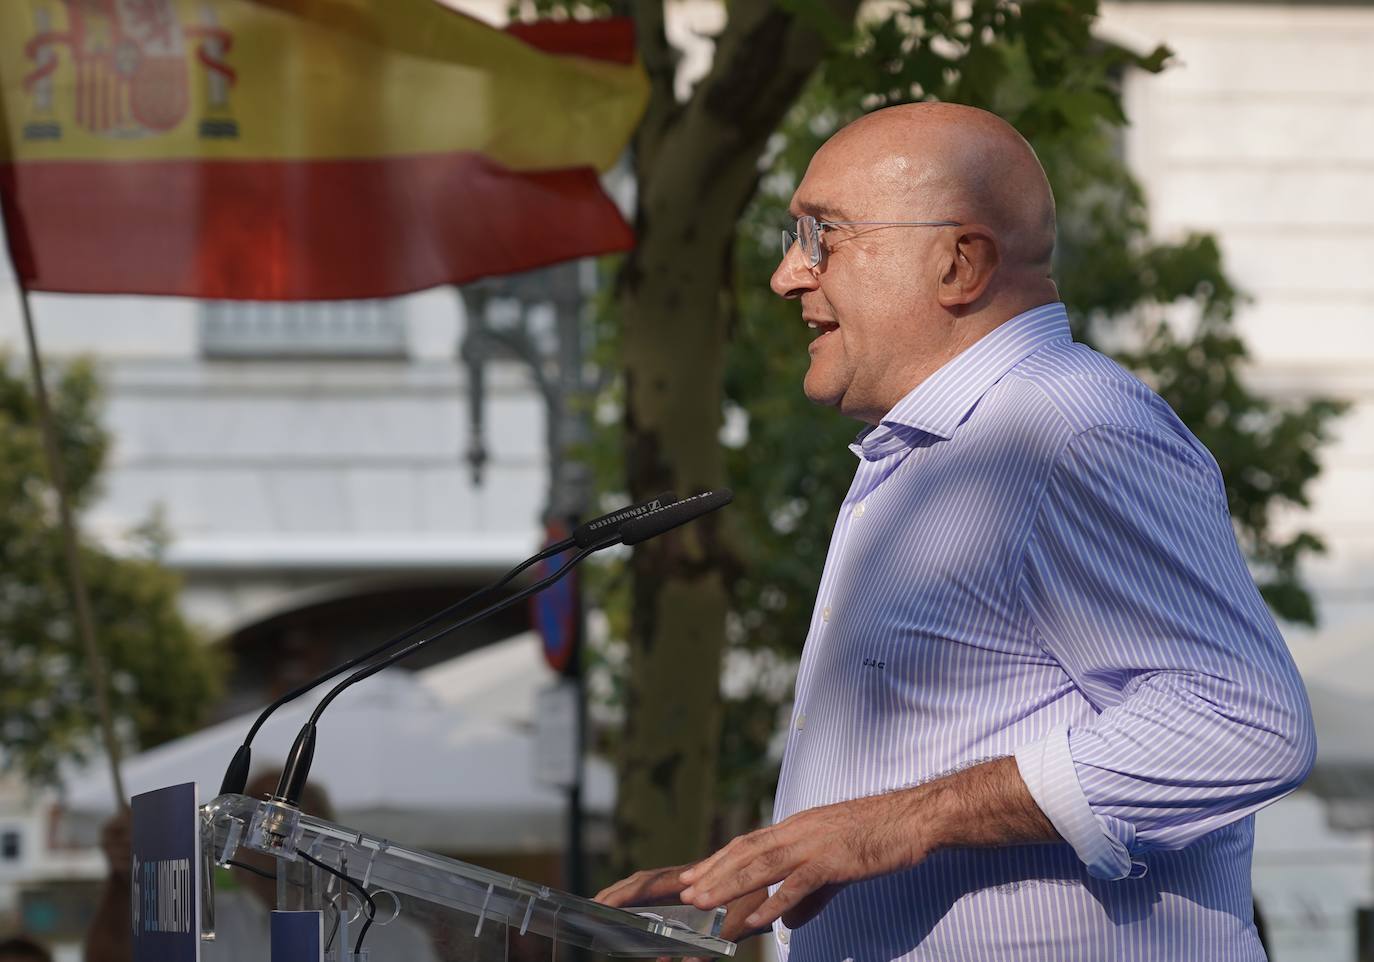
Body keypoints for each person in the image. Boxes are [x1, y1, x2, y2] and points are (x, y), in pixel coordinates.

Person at [597, 102, 1315, 961]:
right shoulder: (936, 453)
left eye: (824, 234)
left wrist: (900, 823)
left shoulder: (1066, 429)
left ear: (959, 263)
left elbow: (1244, 721)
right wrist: (765, 863)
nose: (790, 274)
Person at [86, 773, 439, 962]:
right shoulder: (195, 928)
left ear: (328, 840)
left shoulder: (397, 938)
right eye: (255, 824)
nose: (273, 842)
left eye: (290, 824)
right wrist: (122, 877)